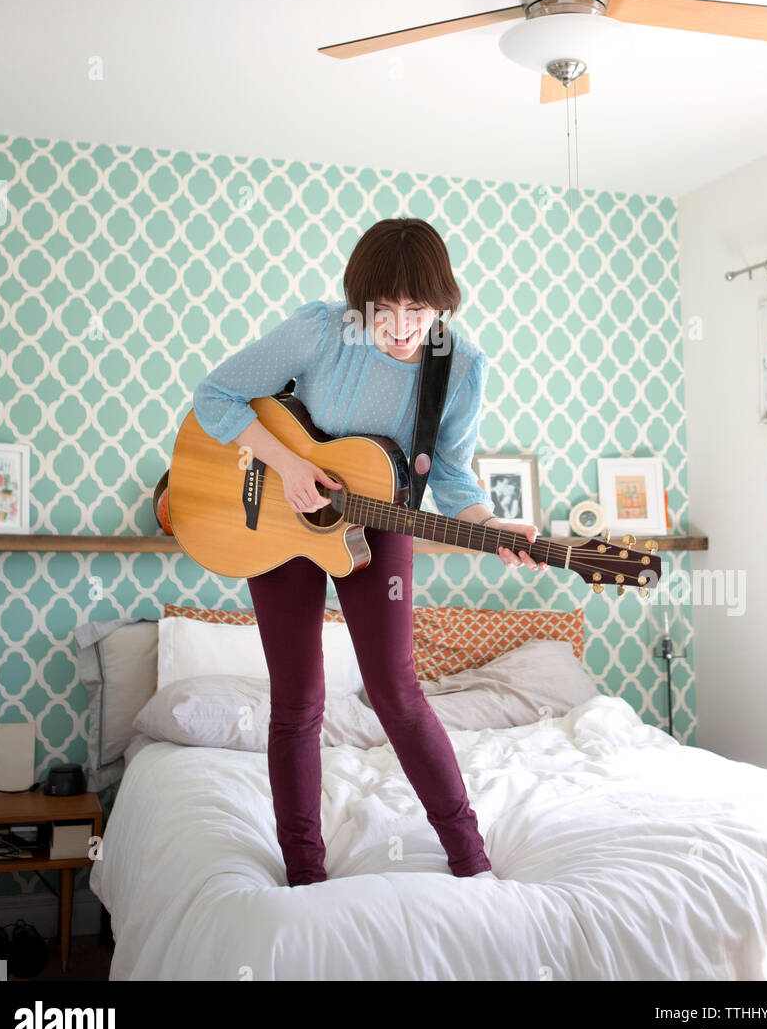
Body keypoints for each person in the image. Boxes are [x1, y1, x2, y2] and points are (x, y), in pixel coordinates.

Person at [193, 217, 545, 886]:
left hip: (382, 520)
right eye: (383, 311)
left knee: (396, 689)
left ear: (445, 302)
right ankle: (304, 874)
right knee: (298, 700)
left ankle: (471, 862)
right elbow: (216, 393)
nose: (402, 326)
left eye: (418, 309)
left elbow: (449, 473)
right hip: (280, 512)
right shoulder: (323, 330)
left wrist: (491, 525)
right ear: (359, 305)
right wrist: (290, 466)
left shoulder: (461, 367)